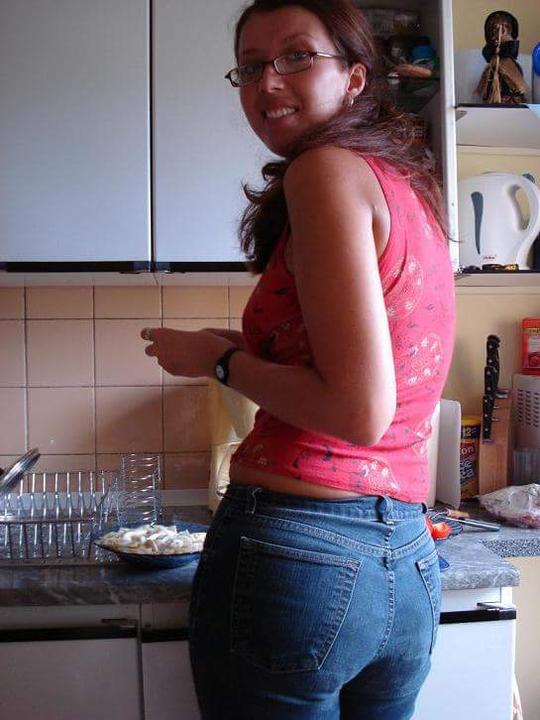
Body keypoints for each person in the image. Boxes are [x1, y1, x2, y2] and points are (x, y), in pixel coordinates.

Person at [140, 0, 456, 717]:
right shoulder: (405, 184)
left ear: (354, 76)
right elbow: (377, 361)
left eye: (295, 57)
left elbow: (357, 410)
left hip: (300, 554)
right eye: (250, 67)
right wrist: (241, 348)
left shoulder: (323, 172)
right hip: (404, 555)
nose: (268, 83)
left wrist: (218, 364)